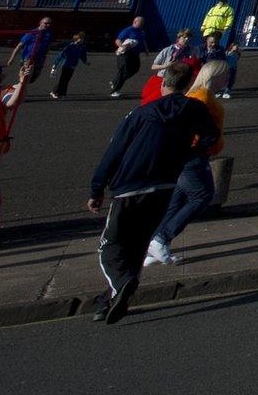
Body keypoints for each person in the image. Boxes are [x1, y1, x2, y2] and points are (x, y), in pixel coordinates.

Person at [87, 60, 218, 322]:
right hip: (165, 186)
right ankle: (112, 300)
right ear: (188, 84)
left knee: (110, 246)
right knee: (137, 245)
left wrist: (97, 187)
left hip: (130, 186)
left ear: (162, 83)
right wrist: (189, 152)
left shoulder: (140, 114)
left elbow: (114, 152)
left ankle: (121, 283)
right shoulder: (195, 110)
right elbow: (211, 135)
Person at [147, 59, 229, 265]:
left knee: (178, 200)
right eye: (225, 74)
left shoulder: (200, 94)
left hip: (190, 154)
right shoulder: (202, 96)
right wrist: (201, 146)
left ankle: (152, 247)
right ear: (215, 76)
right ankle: (161, 239)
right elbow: (191, 127)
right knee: (202, 195)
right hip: (194, 155)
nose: (228, 78)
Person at [7, 17, 53, 84]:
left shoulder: (49, 33)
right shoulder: (31, 33)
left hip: (40, 58)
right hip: (28, 58)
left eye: (49, 24)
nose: (48, 25)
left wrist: (45, 55)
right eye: (46, 23)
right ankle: (19, 91)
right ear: (40, 23)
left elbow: (48, 44)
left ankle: (22, 88)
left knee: (33, 78)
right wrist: (11, 58)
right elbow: (19, 46)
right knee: (25, 77)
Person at [110, 16, 146, 97]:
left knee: (135, 69)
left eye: (143, 22)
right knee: (124, 70)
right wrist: (122, 47)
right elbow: (118, 40)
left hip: (135, 54)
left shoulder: (142, 32)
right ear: (135, 22)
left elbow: (143, 41)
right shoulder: (128, 30)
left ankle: (115, 81)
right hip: (125, 54)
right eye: (141, 22)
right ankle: (115, 90)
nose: (142, 24)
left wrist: (146, 50)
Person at [51, 32, 88, 99]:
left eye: (83, 39)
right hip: (66, 65)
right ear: (76, 39)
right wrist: (55, 65)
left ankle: (55, 92)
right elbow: (60, 56)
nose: (82, 40)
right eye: (81, 39)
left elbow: (82, 56)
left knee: (66, 80)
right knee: (63, 80)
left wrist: (85, 62)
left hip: (73, 66)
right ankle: (61, 94)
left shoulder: (81, 47)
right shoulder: (70, 47)